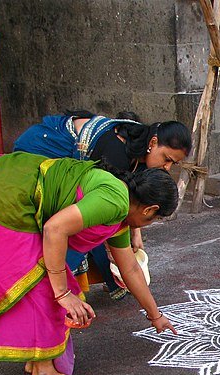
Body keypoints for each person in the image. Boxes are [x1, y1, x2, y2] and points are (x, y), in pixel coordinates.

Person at [0, 151, 178, 375]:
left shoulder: (120, 210)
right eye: (152, 220)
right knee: (46, 285)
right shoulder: (114, 200)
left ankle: (37, 359)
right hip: (0, 189)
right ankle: (43, 374)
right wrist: (62, 293)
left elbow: (130, 268)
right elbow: (55, 229)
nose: (145, 225)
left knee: (48, 280)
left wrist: (155, 316)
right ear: (149, 209)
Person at [13, 111, 192, 299]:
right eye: (167, 159)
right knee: (87, 229)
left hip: (76, 182)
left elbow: (133, 203)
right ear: (153, 142)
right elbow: (108, 216)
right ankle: (46, 291)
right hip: (39, 154)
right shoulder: (115, 154)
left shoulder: (141, 157)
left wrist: (136, 233)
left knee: (104, 228)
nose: (167, 167)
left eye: (173, 164)